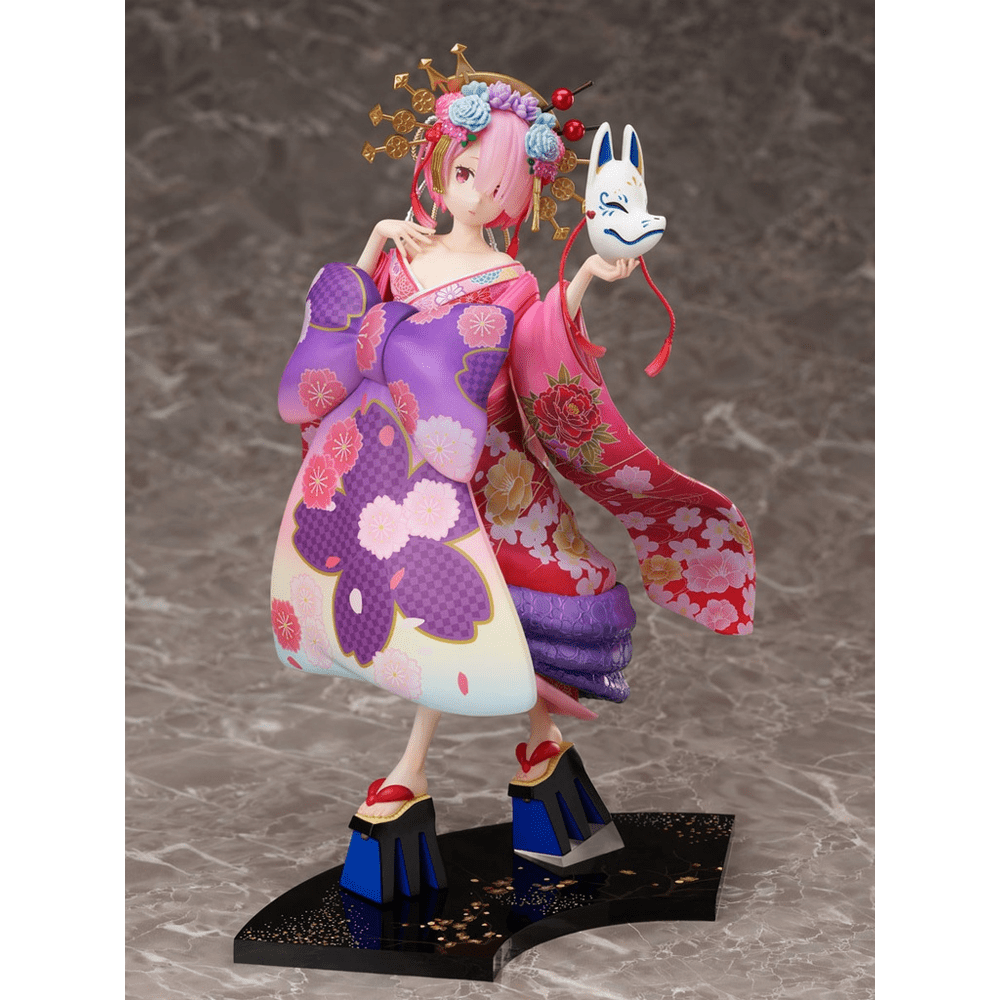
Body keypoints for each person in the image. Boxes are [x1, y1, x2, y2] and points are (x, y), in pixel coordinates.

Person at [271, 69, 755, 830]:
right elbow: (344, 324)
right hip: (400, 463)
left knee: (479, 609)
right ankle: (528, 751)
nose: (475, 196)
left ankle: (431, 768)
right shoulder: (404, 255)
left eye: (498, 185)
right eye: (465, 173)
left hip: (487, 466)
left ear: (523, 192)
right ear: (438, 164)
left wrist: (585, 277)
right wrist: (374, 242)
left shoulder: (511, 280)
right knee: (429, 610)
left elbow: (533, 348)